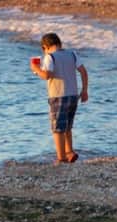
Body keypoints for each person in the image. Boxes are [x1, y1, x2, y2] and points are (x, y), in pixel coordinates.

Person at [29, 33, 89, 164]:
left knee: (57, 129)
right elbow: (83, 71)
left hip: (58, 96)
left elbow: (47, 75)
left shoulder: (50, 57)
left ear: (45, 47)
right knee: (67, 127)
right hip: (73, 95)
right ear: (59, 43)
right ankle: (70, 152)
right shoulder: (72, 54)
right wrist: (84, 90)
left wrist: (36, 68)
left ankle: (61, 158)